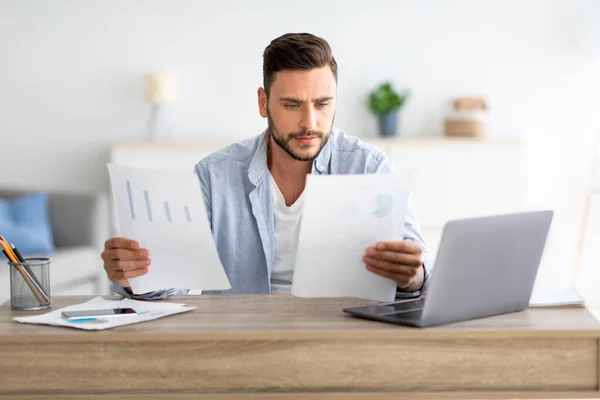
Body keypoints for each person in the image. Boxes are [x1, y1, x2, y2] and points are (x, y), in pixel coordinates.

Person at [102, 32, 433, 300]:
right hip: (241, 340)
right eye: (292, 105)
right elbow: (171, 281)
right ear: (263, 103)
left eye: (322, 104)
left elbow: (419, 272)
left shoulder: (369, 167)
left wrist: (412, 276)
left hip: (341, 334)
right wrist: (134, 277)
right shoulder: (214, 175)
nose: (310, 122)